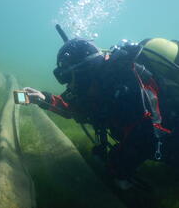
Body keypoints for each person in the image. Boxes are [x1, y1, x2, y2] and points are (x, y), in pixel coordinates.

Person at [23, 24, 179, 190]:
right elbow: (76, 108)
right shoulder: (97, 85)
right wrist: (43, 99)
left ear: (84, 72)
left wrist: (117, 170)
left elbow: (147, 138)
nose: (68, 85)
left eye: (69, 77)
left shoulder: (125, 88)